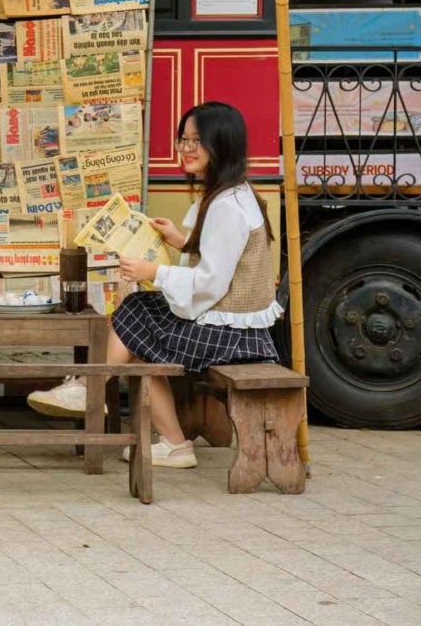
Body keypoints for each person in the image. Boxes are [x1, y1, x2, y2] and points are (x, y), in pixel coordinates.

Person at [27, 101, 281, 468]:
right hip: (230, 327)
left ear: (221, 143)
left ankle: (90, 388)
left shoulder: (226, 205)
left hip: (234, 336)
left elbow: (211, 282)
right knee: (137, 326)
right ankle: (168, 441)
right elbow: (223, 257)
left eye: (196, 141)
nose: (186, 149)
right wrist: (181, 241)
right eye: (183, 140)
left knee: (135, 318)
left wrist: (154, 272)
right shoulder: (231, 193)